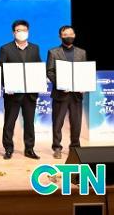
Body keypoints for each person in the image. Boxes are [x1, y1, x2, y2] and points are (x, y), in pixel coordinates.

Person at [0, 19, 42, 160]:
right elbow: (1, 70)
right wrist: (6, 85)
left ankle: (29, 149)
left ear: (28, 32)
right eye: (18, 30)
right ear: (13, 33)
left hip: (30, 94)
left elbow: (38, 68)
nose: (21, 33)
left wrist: (40, 83)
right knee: (9, 123)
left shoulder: (35, 48)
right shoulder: (5, 48)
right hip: (12, 94)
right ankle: (8, 149)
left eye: (24, 30)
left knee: (29, 123)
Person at [46, 25, 87, 159]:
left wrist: (83, 85)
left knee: (76, 122)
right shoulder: (53, 52)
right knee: (58, 122)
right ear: (60, 37)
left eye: (70, 34)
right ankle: (57, 147)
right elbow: (50, 71)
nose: (68, 36)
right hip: (60, 93)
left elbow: (84, 72)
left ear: (74, 35)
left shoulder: (81, 52)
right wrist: (60, 84)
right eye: (65, 35)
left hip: (76, 95)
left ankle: (75, 147)